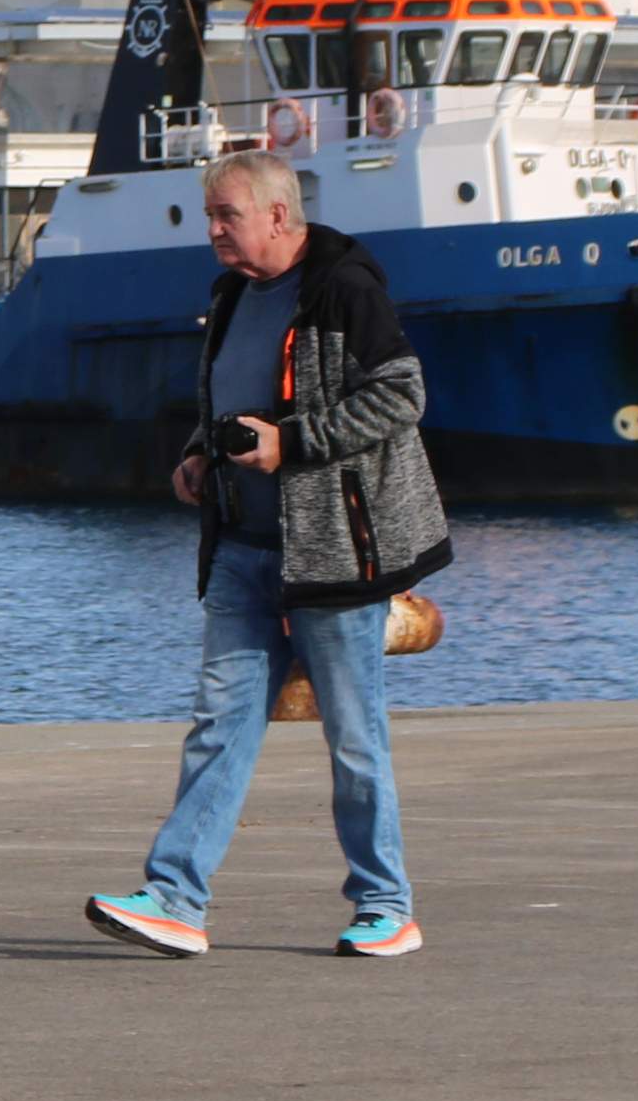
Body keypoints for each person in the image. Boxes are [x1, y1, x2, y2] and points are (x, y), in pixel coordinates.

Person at [87, 149, 449, 960]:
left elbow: (402, 394)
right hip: (243, 547)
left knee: (354, 737)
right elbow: (232, 394)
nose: (213, 230)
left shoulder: (345, 288)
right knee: (219, 724)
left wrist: (293, 443)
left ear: (279, 215)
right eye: (210, 216)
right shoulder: (230, 294)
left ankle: (387, 905)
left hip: (332, 554)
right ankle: (175, 899)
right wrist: (199, 450)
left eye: (227, 215)